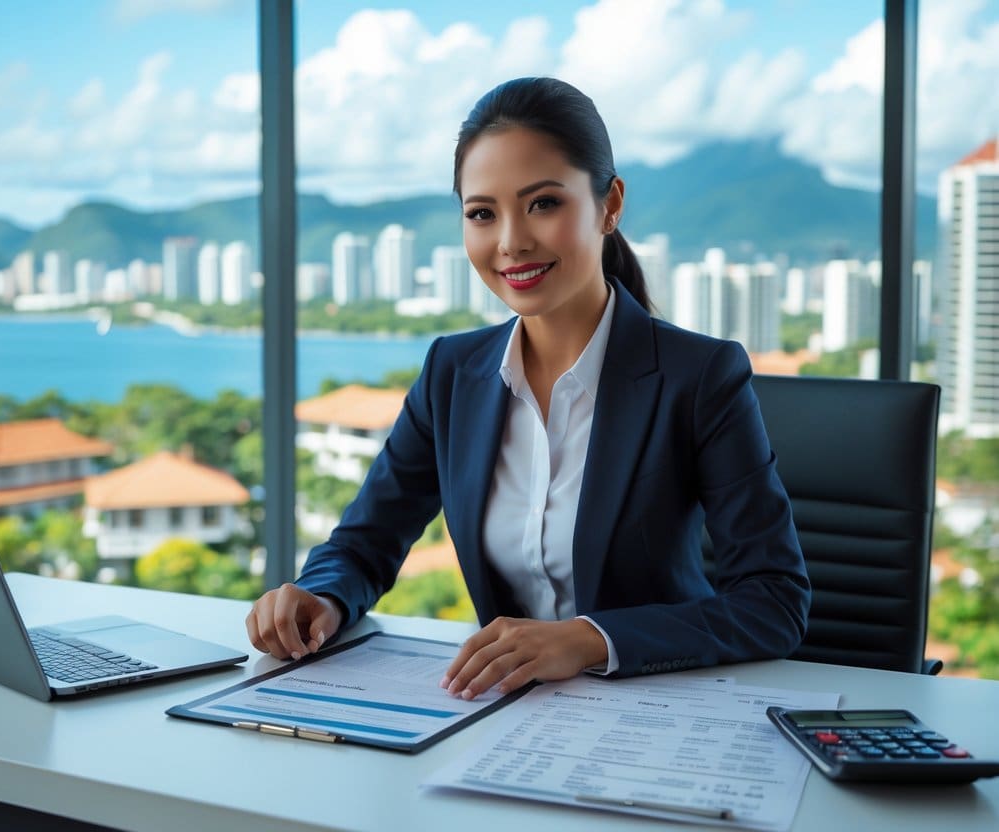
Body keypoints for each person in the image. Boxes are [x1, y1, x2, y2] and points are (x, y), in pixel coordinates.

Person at [246, 76, 810, 699]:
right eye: (482, 214)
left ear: (610, 204)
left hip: (656, 713)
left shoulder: (699, 377)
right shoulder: (451, 374)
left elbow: (773, 602)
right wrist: (322, 595)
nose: (511, 241)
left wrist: (590, 638)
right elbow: (364, 544)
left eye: (543, 203)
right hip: (506, 714)